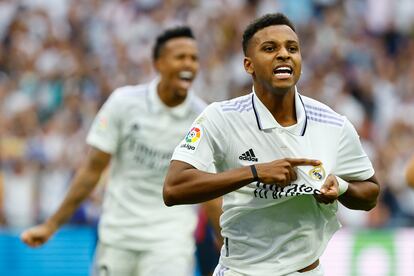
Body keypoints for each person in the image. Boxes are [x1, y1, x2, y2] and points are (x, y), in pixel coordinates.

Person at [163, 13, 380, 276]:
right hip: (241, 270)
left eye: (292, 48)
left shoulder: (333, 124)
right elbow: (173, 188)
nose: (284, 54)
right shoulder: (220, 118)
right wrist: (254, 172)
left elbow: (370, 193)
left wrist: (341, 187)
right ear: (248, 65)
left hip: (305, 271)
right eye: (270, 48)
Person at [21, 26, 221, 276]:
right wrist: (51, 225)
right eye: (180, 57)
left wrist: (226, 244)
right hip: (118, 237)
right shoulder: (124, 103)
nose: (189, 64)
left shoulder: (203, 118)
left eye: (194, 58)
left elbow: (209, 190)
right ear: (158, 63)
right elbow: (92, 170)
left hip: (169, 242)